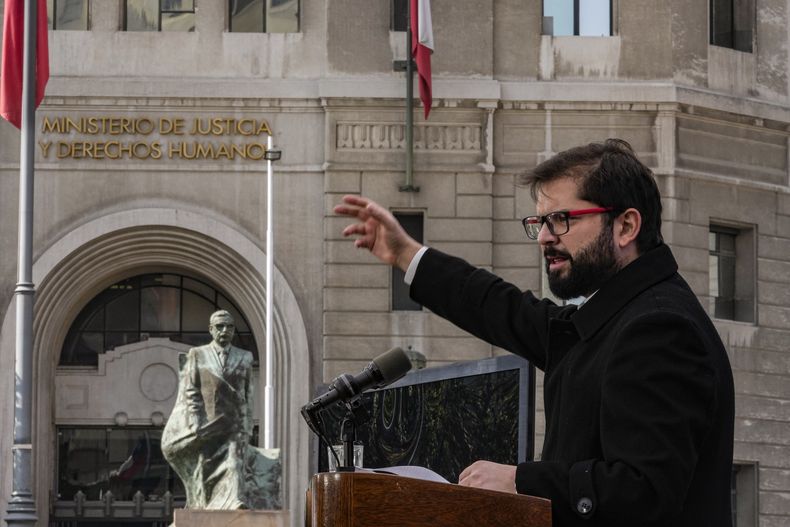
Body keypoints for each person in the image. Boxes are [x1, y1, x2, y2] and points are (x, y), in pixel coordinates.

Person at [334, 139, 735, 526]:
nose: (544, 237)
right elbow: (503, 308)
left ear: (626, 226)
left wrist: (519, 481)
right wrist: (406, 254)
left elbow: (644, 491)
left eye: (560, 220)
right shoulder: (610, 318)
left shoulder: (659, 327)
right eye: (540, 222)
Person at [161, 310, 280, 510]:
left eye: (229, 326)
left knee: (234, 463)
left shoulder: (245, 357)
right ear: (211, 329)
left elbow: (248, 394)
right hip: (208, 424)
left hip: (233, 424)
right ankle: (208, 507)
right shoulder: (197, 354)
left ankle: (234, 501)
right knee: (205, 471)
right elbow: (191, 390)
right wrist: (195, 422)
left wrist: (247, 426)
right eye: (219, 326)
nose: (225, 330)